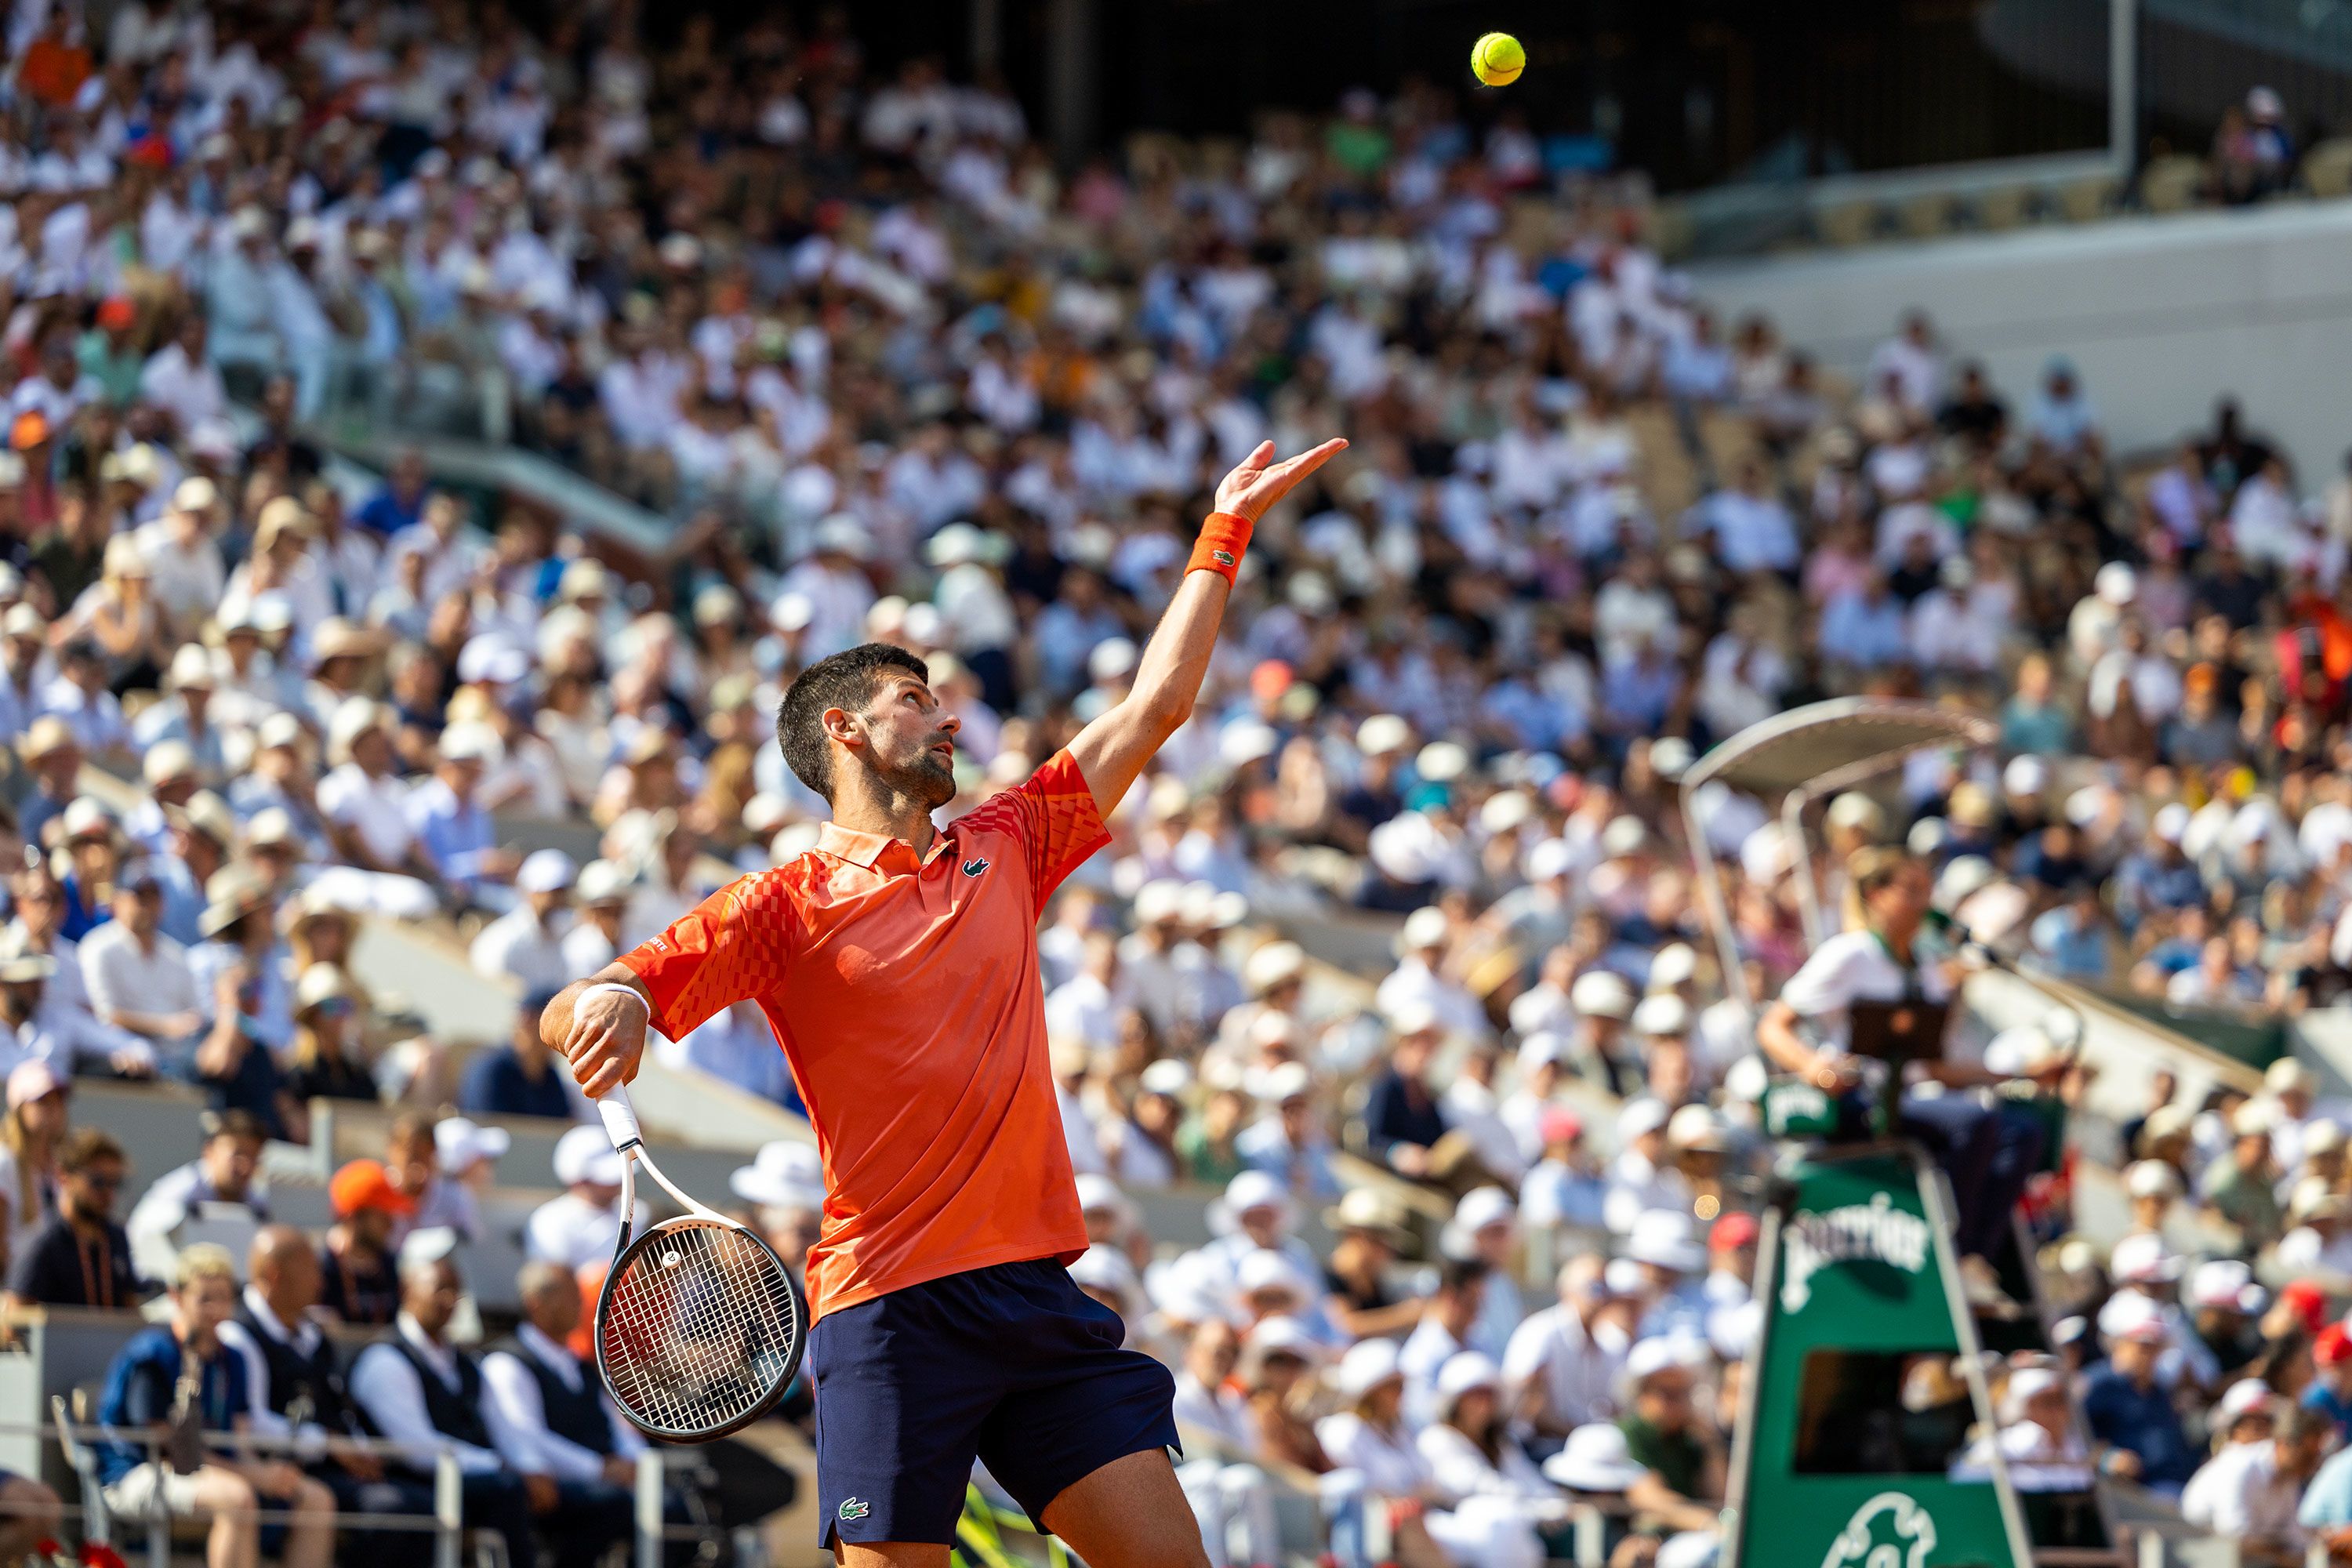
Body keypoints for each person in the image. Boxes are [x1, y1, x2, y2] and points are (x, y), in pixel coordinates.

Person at [545, 437, 1344, 1563]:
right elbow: (583, 1000)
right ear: (846, 730)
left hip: (1034, 1299)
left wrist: (1224, 532)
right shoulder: (779, 906)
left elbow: (1156, 707)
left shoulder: (1009, 840)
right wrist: (612, 1003)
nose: (948, 720)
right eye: (916, 700)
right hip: (889, 1312)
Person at [1755, 845, 2043, 1268]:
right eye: (1911, 889)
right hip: (1858, 1101)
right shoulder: (1850, 954)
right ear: (1876, 895)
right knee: (1972, 1122)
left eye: (1927, 890)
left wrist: (2019, 1073)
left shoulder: (1923, 968)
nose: (1924, 902)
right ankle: (1953, 1251)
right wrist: (1813, 1066)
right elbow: (1773, 1026)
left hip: (1904, 1097)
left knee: (2024, 1131)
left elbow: (1933, 1068)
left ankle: (1977, 1256)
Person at [95, 1244, 338, 1568]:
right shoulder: (152, 1354)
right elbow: (170, 1450)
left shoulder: (232, 1359)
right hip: (140, 1472)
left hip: (216, 1471)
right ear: (177, 1297)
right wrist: (253, 1475)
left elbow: (238, 1440)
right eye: (205, 1298)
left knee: (316, 1499)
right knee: (236, 1498)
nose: (216, 1310)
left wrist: (267, 1472)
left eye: (224, 1298)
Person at [217, 1227, 437, 1559]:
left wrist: (360, 1450)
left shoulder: (315, 1337)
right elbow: (253, 1422)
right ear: (275, 1275)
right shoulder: (238, 1336)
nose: (321, 1280)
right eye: (310, 1269)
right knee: (392, 1509)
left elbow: (340, 1408)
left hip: (332, 1468)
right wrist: (327, 1444)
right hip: (282, 1470)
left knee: (425, 1503)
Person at [348, 1247, 549, 1568]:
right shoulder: (386, 1359)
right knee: (505, 1489)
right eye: (439, 1288)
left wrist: (527, 1465)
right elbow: (415, 1449)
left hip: (464, 1479)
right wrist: (495, 1464)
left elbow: (503, 1425)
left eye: (455, 1291)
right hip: (412, 1481)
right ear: (406, 1291)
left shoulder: (465, 1364)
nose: (448, 1300)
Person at [481, 1263, 640, 1568]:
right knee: (613, 1505)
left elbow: (619, 1428)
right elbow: (525, 1436)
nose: (579, 1304)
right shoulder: (507, 1362)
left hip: (604, 1481)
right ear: (535, 1303)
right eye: (568, 1295)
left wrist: (634, 1462)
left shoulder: (582, 1367)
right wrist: (597, 1469)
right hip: (552, 1486)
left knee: (677, 1508)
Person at [5, 1125, 143, 1309]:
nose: (108, 1193)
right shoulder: (46, 1241)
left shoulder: (116, 1238)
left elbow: (130, 1310)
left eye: (115, 1183)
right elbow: (16, 1315)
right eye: (98, 1182)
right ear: (64, 1176)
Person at [125, 1109, 270, 1284]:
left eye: (253, 1157)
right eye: (237, 1154)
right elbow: (139, 1242)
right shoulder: (178, 1191)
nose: (245, 1166)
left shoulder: (258, 1204)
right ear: (209, 1151)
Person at [1503, 1256, 1632, 1442]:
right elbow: (1522, 1406)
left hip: (1584, 1446)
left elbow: (1617, 1407)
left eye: (1606, 1289)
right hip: (1541, 1446)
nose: (1602, 1298)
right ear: (1567, 1291)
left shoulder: (1610, 1342)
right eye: (1595, 1288)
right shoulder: (1541, 1333)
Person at [2082, 1294, 2199, 1496]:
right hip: (2127, 1495)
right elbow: (2076, 1440)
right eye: (2143, 1345)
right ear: (2119, 1343)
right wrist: (2107, 1459)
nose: (2151, 1353)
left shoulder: (2159, 1391)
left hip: (2173, 1489)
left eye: (2156, 1345)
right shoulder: (2096, 1385)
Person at [2181, 1404, 2328, 1565]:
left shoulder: (2289, 1479)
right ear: (2283, 1444)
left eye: (2317, 1455)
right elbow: (2235, 1539)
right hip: (2190, 1556)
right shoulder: (2242, 1469)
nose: (2315, 1463)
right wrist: (2283, 1553)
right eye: (2308, 1455)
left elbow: (2296, 1539)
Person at [1615, 1338, 1723, 1537]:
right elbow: (1649, 1497)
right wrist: (1710, 1524)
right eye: (1667, 1393)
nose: (1678, 1401)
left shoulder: (1689, 1437)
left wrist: (1711, 1444)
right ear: (1641, 1394)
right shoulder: (1627, 1434)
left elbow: (1721, 1495)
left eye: (1682, 1392)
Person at [317, 1160, 409, 1327]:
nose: (391, 1225)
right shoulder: (322, 1270)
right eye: (383, 1216)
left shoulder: (390, 1266)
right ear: (354, 1218)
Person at [460, 991, 579, 1120]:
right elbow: (490, 1127)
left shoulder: (551, 1077)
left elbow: (562, 1126)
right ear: (528, 1019)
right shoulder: (491, 1069)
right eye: (560, 1022)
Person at [524, 1125, 627, 1272]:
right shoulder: (549, 1220)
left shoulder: (641, 1213)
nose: (618, 1181)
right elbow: (554, 1285)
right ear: (579, 1179)